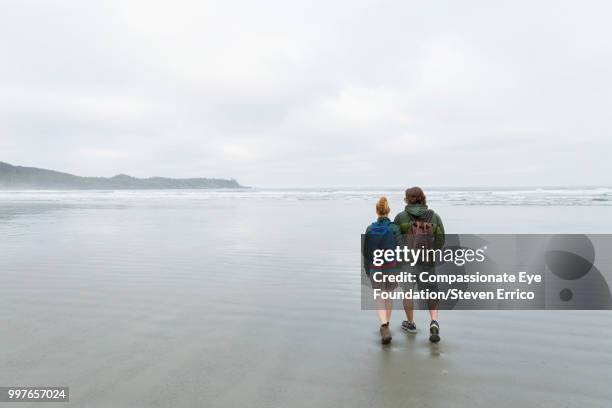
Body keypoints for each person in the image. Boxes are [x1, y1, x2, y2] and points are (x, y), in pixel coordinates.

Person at [394, 187, 445, 343]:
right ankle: (434, 322)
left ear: (408, 199)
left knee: (408, 292)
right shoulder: (434, 216)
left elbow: (395, 240)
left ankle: (410, 324)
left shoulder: (400, 217)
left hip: (407, 263)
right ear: (423, 198)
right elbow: (441, 240)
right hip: (427, 262)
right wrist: (430, 252)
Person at [363, 197, 402, 345]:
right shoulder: (394, 228)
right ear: (388, 211)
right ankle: (387, 324)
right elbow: (401, 249)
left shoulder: (370, 228)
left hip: (375, 268)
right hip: (391, 267)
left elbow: (366, 253)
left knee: (379, 296)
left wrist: (367, 270)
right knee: (388, 296)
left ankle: (384, 325)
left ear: (377, 211)